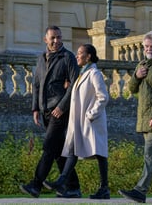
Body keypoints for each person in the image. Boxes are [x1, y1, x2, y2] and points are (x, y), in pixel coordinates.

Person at [20, 26, 81, 198]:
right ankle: (72, 187)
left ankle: (36, 185)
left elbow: (75, 85)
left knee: (48, 147)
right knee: (58, 150)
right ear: (45, 39)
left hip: (60, 110)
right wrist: (35, 108)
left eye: (59, 37)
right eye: (53, 38)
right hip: (45, 110)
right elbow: (36, 84)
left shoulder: (68, 57)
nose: (56, 41)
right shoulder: (41, 58)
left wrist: (62, 106)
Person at [43, 44, 110, 199]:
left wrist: (91, 114)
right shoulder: (82, 73)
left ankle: (104, 188)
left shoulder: (94, 73)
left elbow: (103, 97)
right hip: (79, 122)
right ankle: (62, 181)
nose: (77, 55)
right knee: (73, 150)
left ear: (88, 57)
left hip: (91, 121)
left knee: (100, 154)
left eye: (80, 53)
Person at [118, 31, 152, 203]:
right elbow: (131, 89)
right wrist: (136, 76)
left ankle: (140, 191)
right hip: (143, 117)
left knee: (150, 156)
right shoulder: (141, 64)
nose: (149, 49)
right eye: (146, 46)